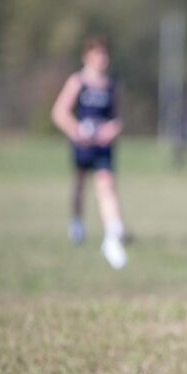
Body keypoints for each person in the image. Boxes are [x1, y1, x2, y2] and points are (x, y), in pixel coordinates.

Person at [52, 36, 129, 269]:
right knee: (80, 183)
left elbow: (119, 118)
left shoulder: (111, 85)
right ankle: (77, 222)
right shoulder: (77, 82)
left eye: (105, 54)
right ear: (87, 57)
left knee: (106, 184)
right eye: (97, 54)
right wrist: (77, 132)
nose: (102, 59)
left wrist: (111, 129)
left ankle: (113, 233)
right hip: (82, 143)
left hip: (103, 145)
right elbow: (59, 112)